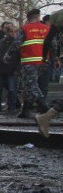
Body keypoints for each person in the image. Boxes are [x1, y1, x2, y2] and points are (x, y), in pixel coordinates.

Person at [8, 8, 50, 118]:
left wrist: (8, 55)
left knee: (31, 86)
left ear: (28, 18)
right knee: (29, 86)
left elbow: (16, 43)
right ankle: (25, 110)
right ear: (38, 17)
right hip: (44, 62)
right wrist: (54, 59)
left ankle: (44, 106)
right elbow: (53, 45)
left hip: (30, 62)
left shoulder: (25, 29)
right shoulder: (46, 29)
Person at [36, 8, 63, 137]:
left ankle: (46, 117)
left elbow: (48, 40)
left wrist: (44, 58)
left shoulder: (59, 15)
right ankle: (46, 117)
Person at [0, 23, 20, 113]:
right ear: (7, 32)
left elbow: (20, 58)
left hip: (12, 69)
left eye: (15, 32)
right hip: (1, 69)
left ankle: (12, 107)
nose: (13, 34)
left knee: (12, 89)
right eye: (11, 32)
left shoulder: (17, 43)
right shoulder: (1, 42)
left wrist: (17, 69)